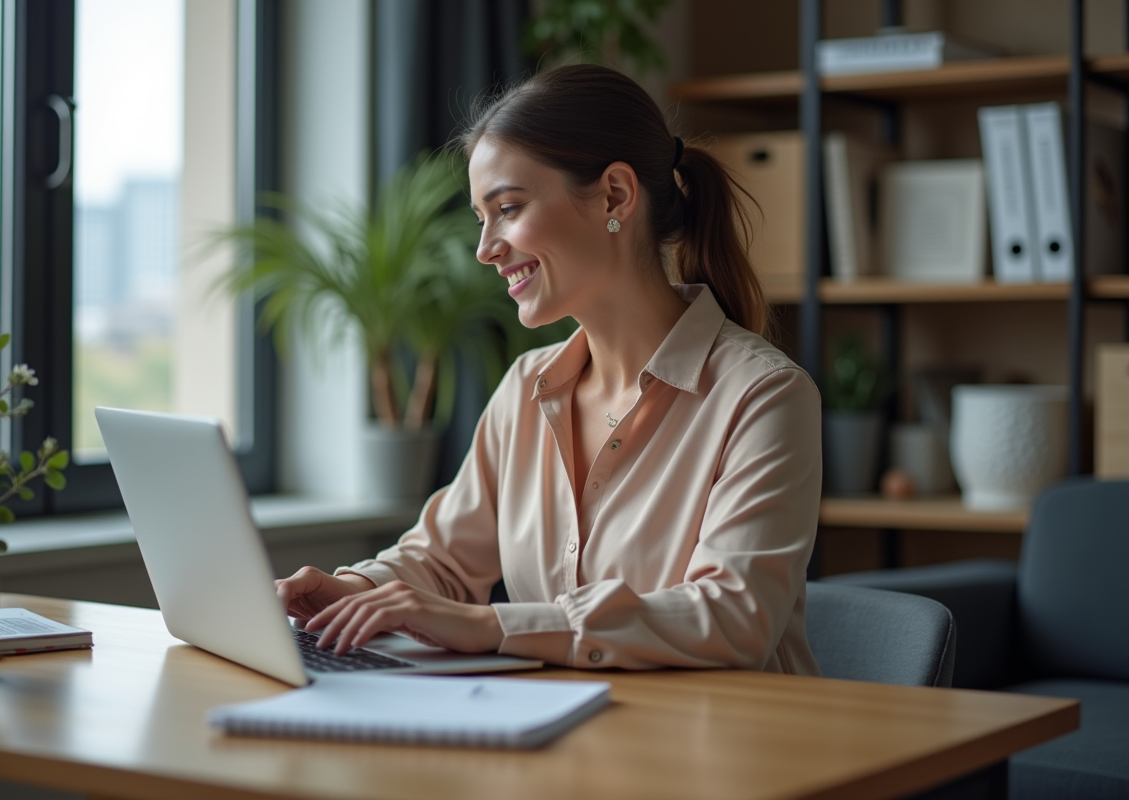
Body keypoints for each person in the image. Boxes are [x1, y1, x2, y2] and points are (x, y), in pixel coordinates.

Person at [276, 64, 822, 674]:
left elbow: (732, 618)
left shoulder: (764, 396)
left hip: (723, 750)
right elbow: (442, 561)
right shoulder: (524, 390)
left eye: (507, 208)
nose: (485, 248)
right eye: (482, 219)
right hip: (563, 734)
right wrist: (349, 589)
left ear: (615, 195)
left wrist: (489, 624)